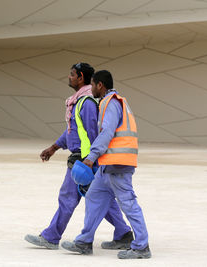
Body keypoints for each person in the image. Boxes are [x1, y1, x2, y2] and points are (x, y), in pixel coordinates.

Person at [24, 63, 132, 250]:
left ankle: (51, 237)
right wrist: (54, 147)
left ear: (81, 77)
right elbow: (73, 131)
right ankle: (123, 234)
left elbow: (92, 134)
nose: (69, 77)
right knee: (99, 198)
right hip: (84, 159)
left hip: (83, 160)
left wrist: (88, 161)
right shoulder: (79, 101)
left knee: (70, 197)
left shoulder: (87, 103)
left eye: (72, 74)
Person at [61, 70, 151, 259]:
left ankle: (141, 246)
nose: (90, 88)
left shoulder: (110, 103)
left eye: (92, 85)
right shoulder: (111, 102)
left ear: (100, 85)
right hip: (108, 165)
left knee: (128, 204)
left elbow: (107, 132)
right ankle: (84, 242)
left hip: (118, 163)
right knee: (94, 197)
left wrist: (91, 157)